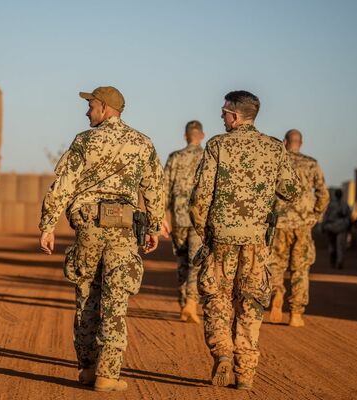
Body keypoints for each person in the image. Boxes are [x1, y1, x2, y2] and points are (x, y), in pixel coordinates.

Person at [38, 86, 164, 392]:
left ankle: (87, 369)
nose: (87, 111)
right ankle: (108, 374)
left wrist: (48, 225)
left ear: (106, 109)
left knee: (86, 298)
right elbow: (154, 189)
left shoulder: (84, 141)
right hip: (124, 230)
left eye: (91, 106)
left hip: (89, 228)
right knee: (115, 301)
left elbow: (63, 185)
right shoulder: (142, 142)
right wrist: (154, 227)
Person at [190, 90, 300, 390]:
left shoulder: (218, 145)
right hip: (256, 242)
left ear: (236, 116)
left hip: (221, 239)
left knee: (216, 299)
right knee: (251, 305)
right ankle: (246, 374)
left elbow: (199, 199)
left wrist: (205, 233)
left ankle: (222, 352)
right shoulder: (275, 148)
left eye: (224, 112)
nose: (222, 116)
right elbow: (292, 190)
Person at [267, 129, 329, 327]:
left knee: (275, 265)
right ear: (300, 143)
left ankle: (276, 291)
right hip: (302, 224)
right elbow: (323, 194)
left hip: (279, 223)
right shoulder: (311, 164)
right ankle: (296, 314)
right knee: (300, 270)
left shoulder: (276, 161)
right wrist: (315, 215)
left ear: (285, 142)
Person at [161, 120, 205, 323]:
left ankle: (183, 304)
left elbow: (163, 189)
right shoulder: (209, 158)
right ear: (202, 136)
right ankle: (191, 302)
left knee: (181, 262)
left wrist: (161, 217)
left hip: (179, 218)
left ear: (186, 136)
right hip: (200, 220)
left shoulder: (175, 158)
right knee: (195, 263)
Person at [322, 188, 351, 269]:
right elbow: (349, 217)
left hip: (331, 227)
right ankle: (339, 261)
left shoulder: (331, 205)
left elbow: (326, 216)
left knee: (332, 246)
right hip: (341, 227)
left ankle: (334, 260)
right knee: (340, 246)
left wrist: (323, 226)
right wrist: (349, 228)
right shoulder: (345, 205)